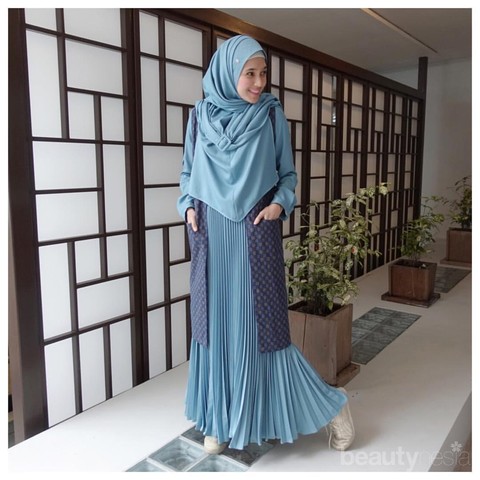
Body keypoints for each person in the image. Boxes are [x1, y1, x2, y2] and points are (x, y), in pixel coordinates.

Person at [177, 34, 354, 455]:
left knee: (266, 336)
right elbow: (187, 174)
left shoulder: (270, 115)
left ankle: (333, 407)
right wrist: (186, 206)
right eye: (250, 74)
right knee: (215, 331)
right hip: (211, 237)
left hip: (255, 231)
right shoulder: (200, 117)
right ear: (227, 74)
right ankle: (219, 419)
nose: (259, 83)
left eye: (263, 73)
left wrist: (279, 204)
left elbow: (287, 176)